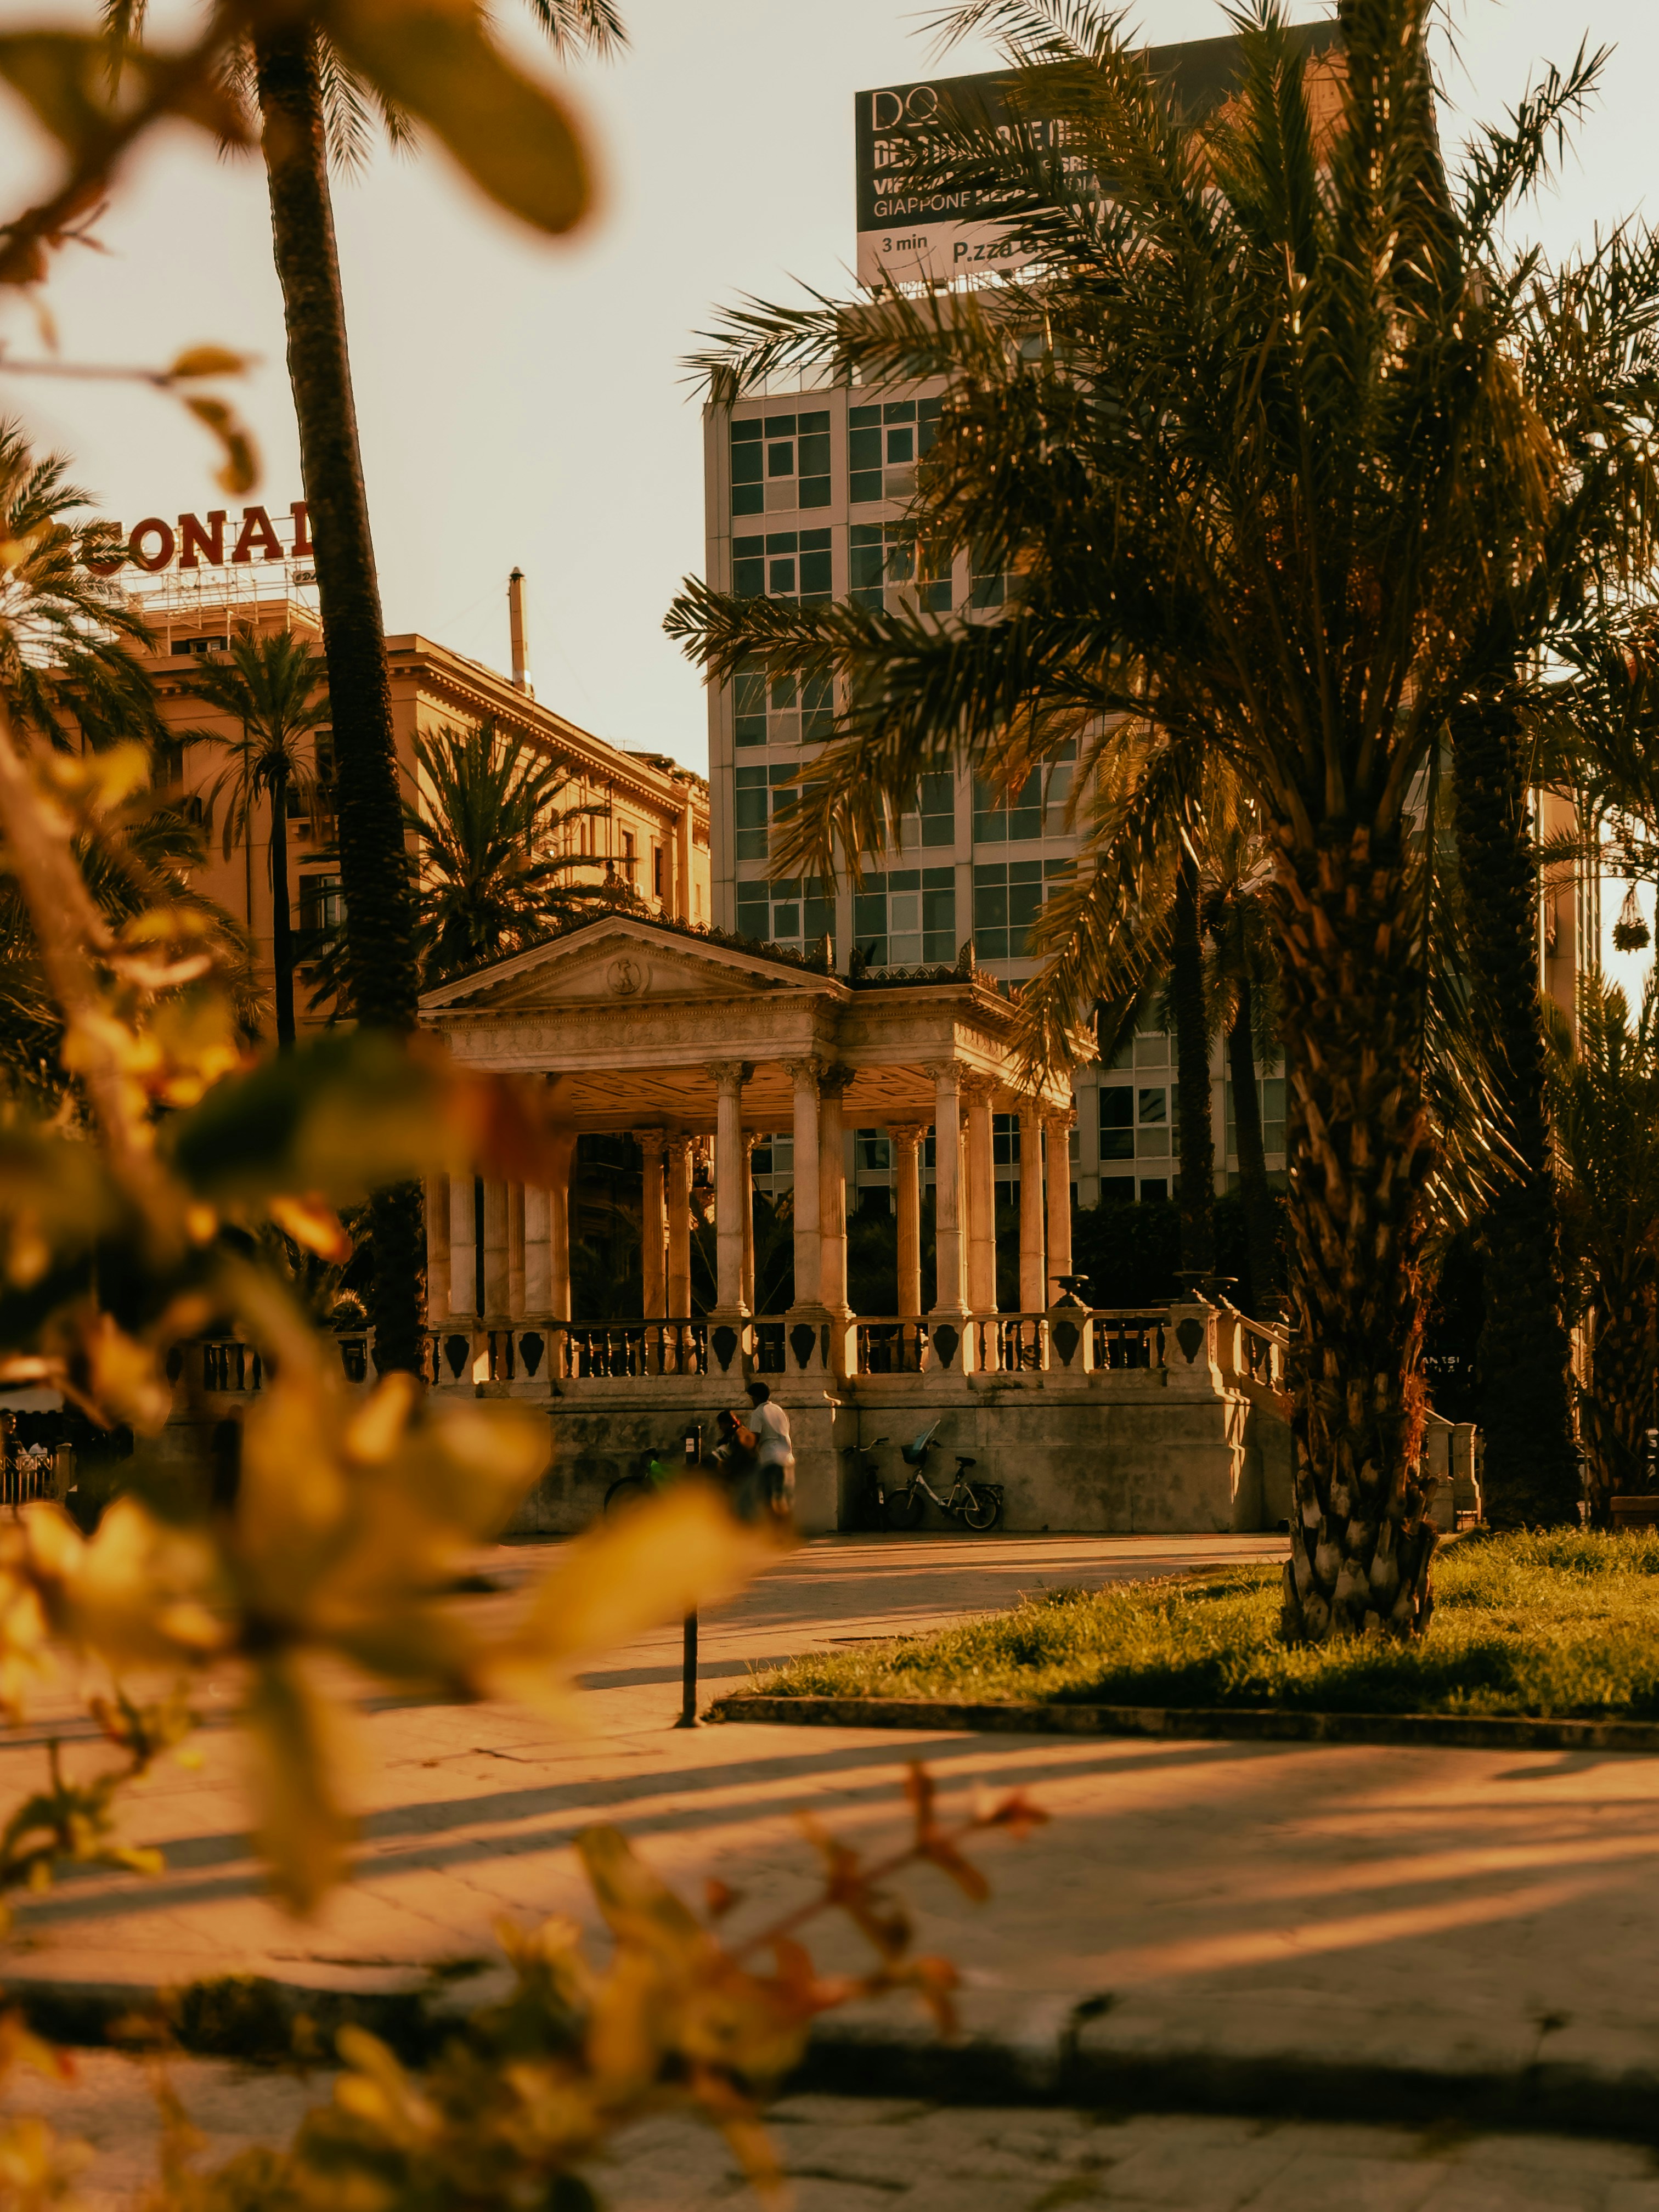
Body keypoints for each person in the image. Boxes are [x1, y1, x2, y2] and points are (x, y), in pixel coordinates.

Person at [737, 1380, 793, 1523]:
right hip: (786, 1458)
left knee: (767, 1497)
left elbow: (755, 1438)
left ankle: (775, 1530)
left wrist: (742, 1439)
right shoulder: (778, 1409)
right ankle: (785, 1530)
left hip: (770, 1458)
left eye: (751, 1398)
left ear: (756, 1397)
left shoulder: (759, 1412)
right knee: (780, 1496)